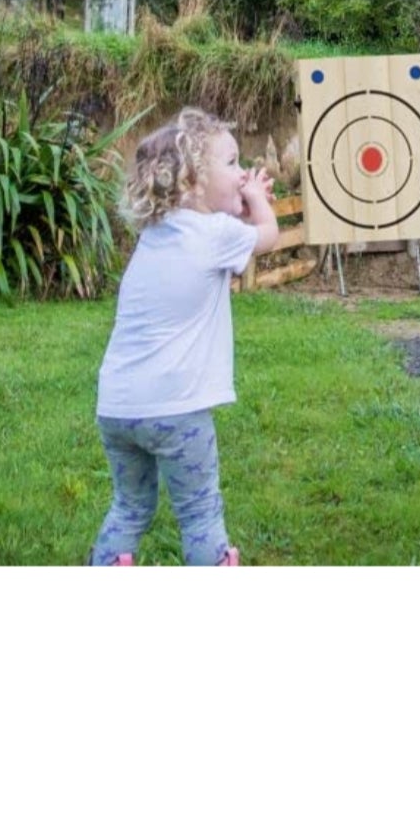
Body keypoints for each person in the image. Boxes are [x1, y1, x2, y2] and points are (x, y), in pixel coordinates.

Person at [87, 106, 279, 566]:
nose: (242, 173)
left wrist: (241, 201)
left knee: (130, 506)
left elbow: (235, 238)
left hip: (117, 406)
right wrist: (259, 201)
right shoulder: (213, 233)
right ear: (192, 182)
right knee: (199, 513)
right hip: (177, 410)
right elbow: (267, 236)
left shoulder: (156, 233)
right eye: (232, 164)